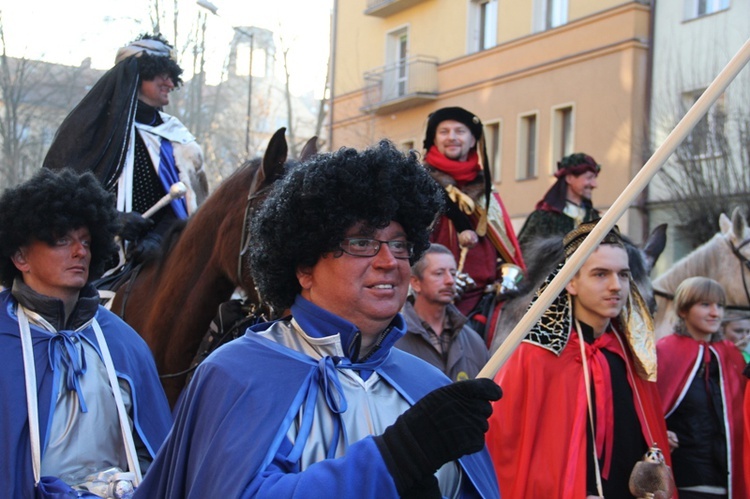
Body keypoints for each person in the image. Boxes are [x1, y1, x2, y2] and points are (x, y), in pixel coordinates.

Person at [134, 140, 503, 498]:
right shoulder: (237, 374)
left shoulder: (427, 384)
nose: (389, 261)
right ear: (304, 267)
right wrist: (396, 459)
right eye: (361, 242)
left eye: (400, 244)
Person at [0, 169, 172, 497]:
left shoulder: (123, 343)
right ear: (20, 256)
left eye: (86, 241)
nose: (80, 252)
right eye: (61, 240)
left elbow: (157, 458)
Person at [486, 220, 674, 498]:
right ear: (570, 281)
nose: (616, 286)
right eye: (600, 274)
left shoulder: (631, 354)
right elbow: (506, 453)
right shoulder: (535, 355)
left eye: (623, 275)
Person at [44, 33, 208, 262]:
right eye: (163, 75)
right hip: (91, 261)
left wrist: (158, 239)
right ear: (139, 74)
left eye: (173, 77)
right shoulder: (91, 130)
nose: (170, 84)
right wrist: (113, 219)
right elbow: (60, 198)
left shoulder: (176, 140)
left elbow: (183, 206)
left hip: (158, 260)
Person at [422, 106, 525, 341]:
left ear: (472, 141)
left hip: (482, 298)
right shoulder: (418, 184)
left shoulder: (486, 191)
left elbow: (508, 251)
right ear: (434, 139)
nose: (452, 137)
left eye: (460, 131)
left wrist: (507, 278)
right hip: (424, 294)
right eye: (444, 131)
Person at [656, 277, 746, 498]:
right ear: (683, 310)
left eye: (720, 306)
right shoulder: (664, 352)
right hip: (683, 483)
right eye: (705, 305)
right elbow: (646, 411)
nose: (715, 313)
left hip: (729, 484)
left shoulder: (731, 355)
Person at [395, 243, 489, 381]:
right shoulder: (392, 339)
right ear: (415, 283)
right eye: (439, 273)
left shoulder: (474, 342)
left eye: (453, 273)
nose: (450, 281)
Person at [517, 152, 601, 250]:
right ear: (569, 178)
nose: (595, 184)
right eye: (589, 178)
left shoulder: (594, 218)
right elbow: (523, 255)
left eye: (594, 178)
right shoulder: (543, 218)